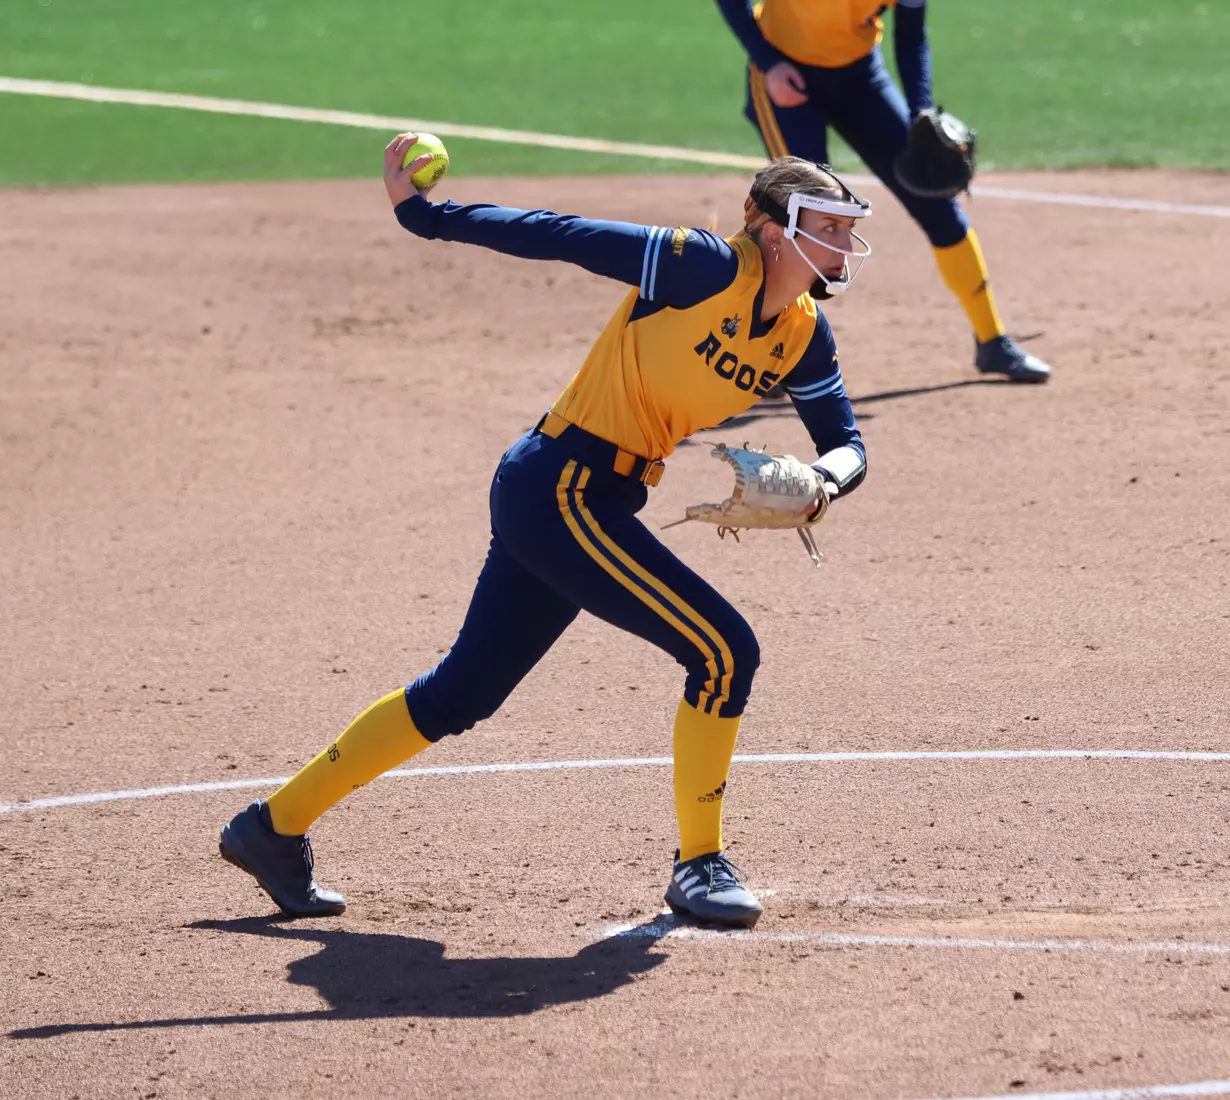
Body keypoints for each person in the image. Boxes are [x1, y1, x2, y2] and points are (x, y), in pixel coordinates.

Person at [218, 135, 872, 930]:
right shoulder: (703, 266)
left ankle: (272, 828)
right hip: (562, 485)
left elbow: (846, 441)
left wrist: (824, 481)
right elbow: (562, 234)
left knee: (462, 692)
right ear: (773, 232)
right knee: (722, 651)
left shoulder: (802, 331)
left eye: (847, 229)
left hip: (583, 496)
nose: (844, 243)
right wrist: (429, 217)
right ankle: (699, 864)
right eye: (828, 226)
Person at [716, 0, 1051, 383]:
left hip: (861, 78)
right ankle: (764, 349)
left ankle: (992, 340)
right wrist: (767, 61)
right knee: (799, 215)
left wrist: (920, 114)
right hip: (786, 73)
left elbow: (911, 37)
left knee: (935, 200)